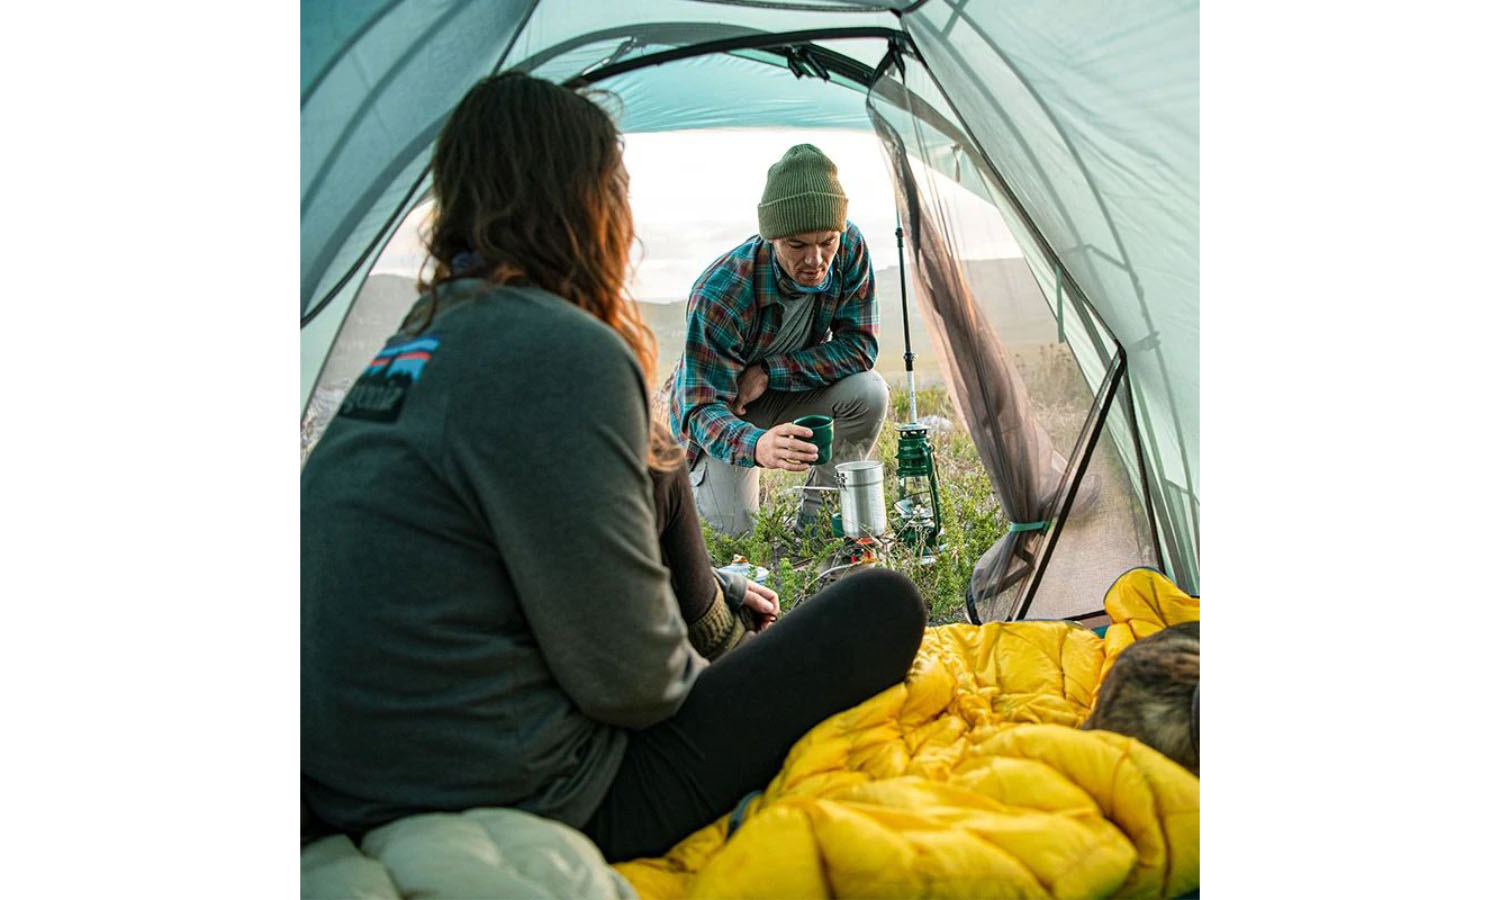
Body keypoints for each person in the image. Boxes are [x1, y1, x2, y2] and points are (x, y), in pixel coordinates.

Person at [300, 72, 927, 863]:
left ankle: (718, 607)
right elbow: (638, 689)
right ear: (592, 205)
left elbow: (506, 562)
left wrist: (709, 589)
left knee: (658, 456)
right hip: (522, 797)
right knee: (882, 606)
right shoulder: (574, 350)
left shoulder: (411, 347)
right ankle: (722, 622)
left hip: (338, 780)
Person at [668, 144, 888, 537]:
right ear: (771, 238)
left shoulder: (850, 247)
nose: (816, 260)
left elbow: (860, 346)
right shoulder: (721, 293)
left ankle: (819, 524)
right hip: (727, 412)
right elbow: (699, 408)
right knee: (738, 538)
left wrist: (771, 372)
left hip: (788, 389)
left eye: (827, 241)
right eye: (797, 245)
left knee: (869, 391)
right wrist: (757, 445)